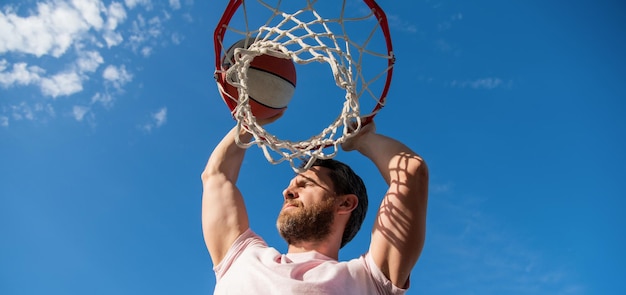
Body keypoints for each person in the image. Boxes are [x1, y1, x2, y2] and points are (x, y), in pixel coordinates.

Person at [201, 115, 429, 294]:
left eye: (306, 184)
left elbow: (410, 173)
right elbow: (216, 175)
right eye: (291, 185)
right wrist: (249, 123)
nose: (287, 191)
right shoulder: (241, 258)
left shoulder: (368, 280)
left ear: (345, 203)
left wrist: (362, 139)